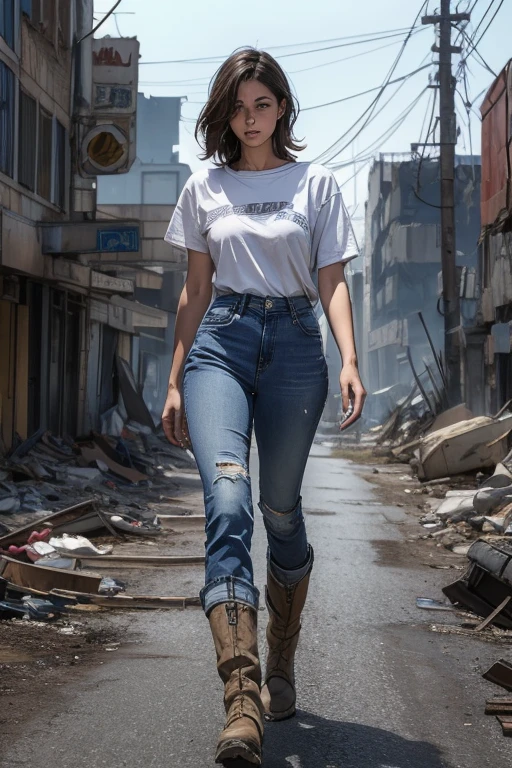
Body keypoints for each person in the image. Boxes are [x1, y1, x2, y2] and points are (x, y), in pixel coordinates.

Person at [162, 48, 366, 766]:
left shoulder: (317, 184)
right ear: (226, 112)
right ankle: (241, 700)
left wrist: (348, 357)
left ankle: (282, 655)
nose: (250, 119)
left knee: (280, 510)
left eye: (262, 105)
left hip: (295, 349)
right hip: (222, 342)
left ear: (282, 108)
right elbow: (194, 290)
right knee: (227, 499)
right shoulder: (204, 188)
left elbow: (333, 281)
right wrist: (175, 377)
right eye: (238, 107)